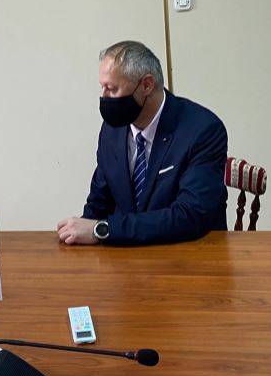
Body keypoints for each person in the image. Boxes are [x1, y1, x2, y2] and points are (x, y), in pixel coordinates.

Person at [57, 41, 227, 246]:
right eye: (102, 88)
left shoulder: (202, 130)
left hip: (190, 254)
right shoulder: (112, 130)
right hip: (125, 257)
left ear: (146, 85)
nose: (104, 97)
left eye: (112, 88)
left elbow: (190, 216)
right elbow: (99, 202)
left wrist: (102, 230)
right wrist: (77, 235)